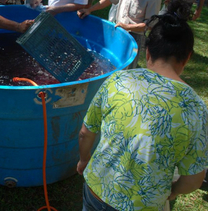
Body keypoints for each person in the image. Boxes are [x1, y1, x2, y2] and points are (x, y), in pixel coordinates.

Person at [77, 13, 208, 211]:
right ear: (187, 57)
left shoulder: (118, 81)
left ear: (147, 52)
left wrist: (84, 159)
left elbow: (85, 133)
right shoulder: (196, 108)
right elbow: (194, 179)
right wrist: (173, 191)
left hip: (96, 190)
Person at [78, 0, 161, 69]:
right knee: (110, 64)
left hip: (134, 37)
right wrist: (90, 9)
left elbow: (149, 25)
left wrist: (127, 27)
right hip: (118, 31)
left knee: (126, 69)